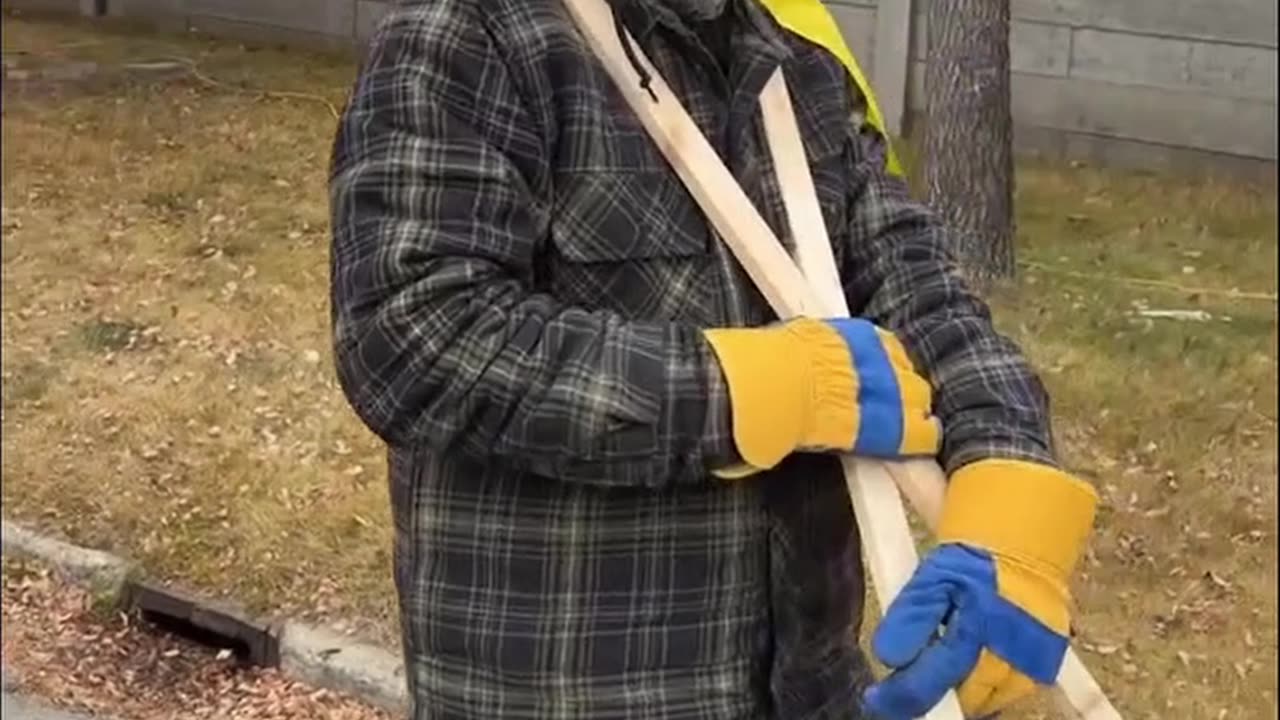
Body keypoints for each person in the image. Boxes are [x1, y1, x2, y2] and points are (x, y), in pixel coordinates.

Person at [328, 0, 1099, 717]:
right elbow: (411, 333)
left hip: (800, 689)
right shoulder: (471, 33)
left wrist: (1013, 497)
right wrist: (740, 394)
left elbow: (920, 290)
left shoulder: (793, 60)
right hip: (567, 691)